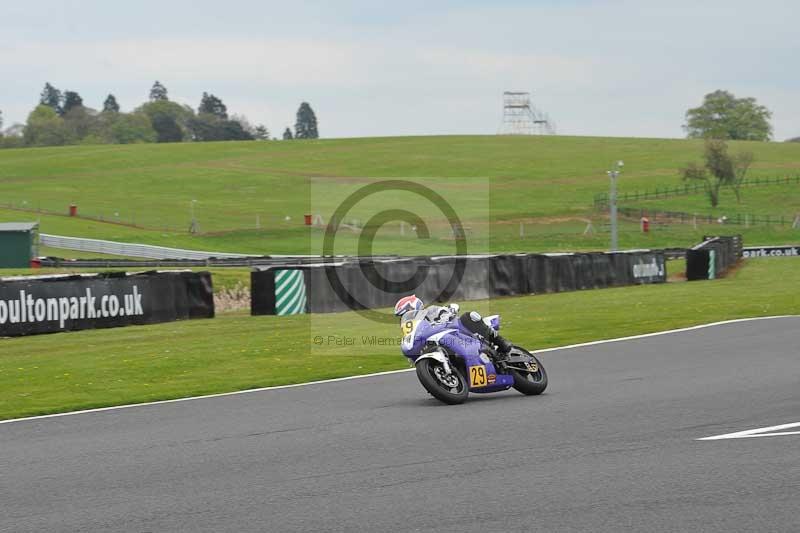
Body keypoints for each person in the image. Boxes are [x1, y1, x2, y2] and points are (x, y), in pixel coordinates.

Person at [393, 295, 513, 356]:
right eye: (402, 316)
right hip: (443, 344)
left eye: (406, 312)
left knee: (468, 316)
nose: (404, 317)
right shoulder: (414, 329)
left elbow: (446, 311)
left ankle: (500, 342)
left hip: (459, 333)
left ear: (415, 307)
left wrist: (448, 313)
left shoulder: (431, 311)